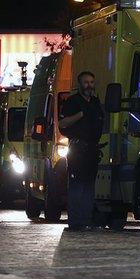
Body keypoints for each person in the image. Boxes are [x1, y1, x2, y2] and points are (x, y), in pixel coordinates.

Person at [59, 71, 105, 231]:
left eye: (92, 82)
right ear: (80, 84)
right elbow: (62, 124)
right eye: (86, 82)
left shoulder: (96, 102)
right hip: (77, 149)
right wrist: (80, 114)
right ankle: (75, 221)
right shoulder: (72, 102)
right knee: (77, 186)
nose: (89, 85)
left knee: (89, 186)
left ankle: (86, 219)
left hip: (92, 150)